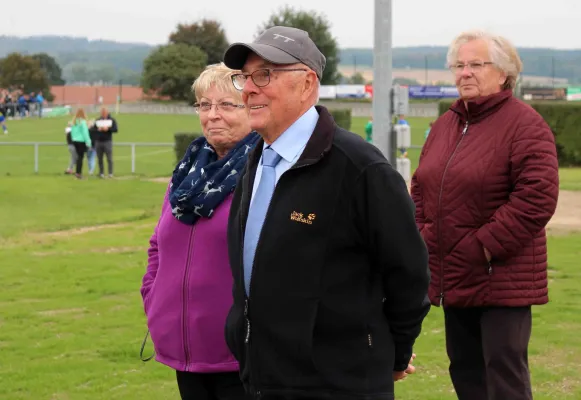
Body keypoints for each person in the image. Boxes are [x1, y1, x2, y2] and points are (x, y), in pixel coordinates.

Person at [223, 26, 430, 400]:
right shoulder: (255, 162)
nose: (249, 88)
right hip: (260, 380)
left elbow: (409, 275)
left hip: (339, 385)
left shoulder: (360, 168)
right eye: (244, 77)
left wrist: (394, 353)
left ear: (306, 84)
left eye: (264, 75)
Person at [410, 30, 559, 400]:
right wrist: (423, 235)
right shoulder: (445, 125)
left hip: (499, 279)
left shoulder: (525, 124)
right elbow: (421, 187)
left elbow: (536, 198)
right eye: (458, 65)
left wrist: (482, 248)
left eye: (476, 64)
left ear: (504, 73)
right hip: (451, 274)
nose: (465, 73)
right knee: (465, 371)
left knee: (503, 376)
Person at [140, 63, 258, 400]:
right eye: (205, 105)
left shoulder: (264, 173)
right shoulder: (186, 175)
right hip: (183, 352)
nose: (213, 115)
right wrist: (153, 299)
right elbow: (157, 246)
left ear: (253, 109)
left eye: (226, 105)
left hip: (241, 355)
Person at [93, 107, 118, 178]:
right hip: (99, 141)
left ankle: (110, 173)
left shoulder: (112, 120)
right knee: (99, 158)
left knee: (109, 158)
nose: (103, 114)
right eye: (102, 113)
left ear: (107, 113)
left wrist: (108, 129)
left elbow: (115, 129)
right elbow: (93, 129)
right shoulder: (98, 120)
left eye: (104, 113)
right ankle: (101, 173)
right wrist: (98, 129)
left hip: (107, 141)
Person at [69, 108, 92, 179]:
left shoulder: (74, 122)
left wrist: (74, 139)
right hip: (81, 141)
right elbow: (85, 133)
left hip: (75, 141)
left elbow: (72, 132)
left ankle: (77, 172)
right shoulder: (83, 122)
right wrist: (89, 142)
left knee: (78, 157)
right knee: (80, 158)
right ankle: (78, 173)